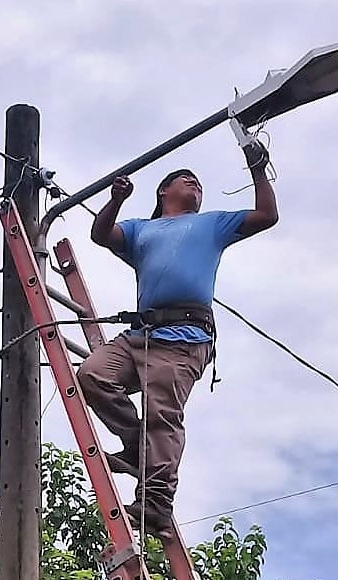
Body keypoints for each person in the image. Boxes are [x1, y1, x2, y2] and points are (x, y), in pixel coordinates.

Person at [78, 140, 278, 538]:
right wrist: (116, 199)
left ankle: (155, 503)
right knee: (92, 376)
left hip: (183, 338)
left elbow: (267, 215)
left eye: (199, 183)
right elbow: (101, 233)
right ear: (163, 192)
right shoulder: (141, 230)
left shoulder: (214, 224)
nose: (195, 184)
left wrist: (257, 167)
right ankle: (136, 445)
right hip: (141, 335)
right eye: (186, 180)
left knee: (162, 416)